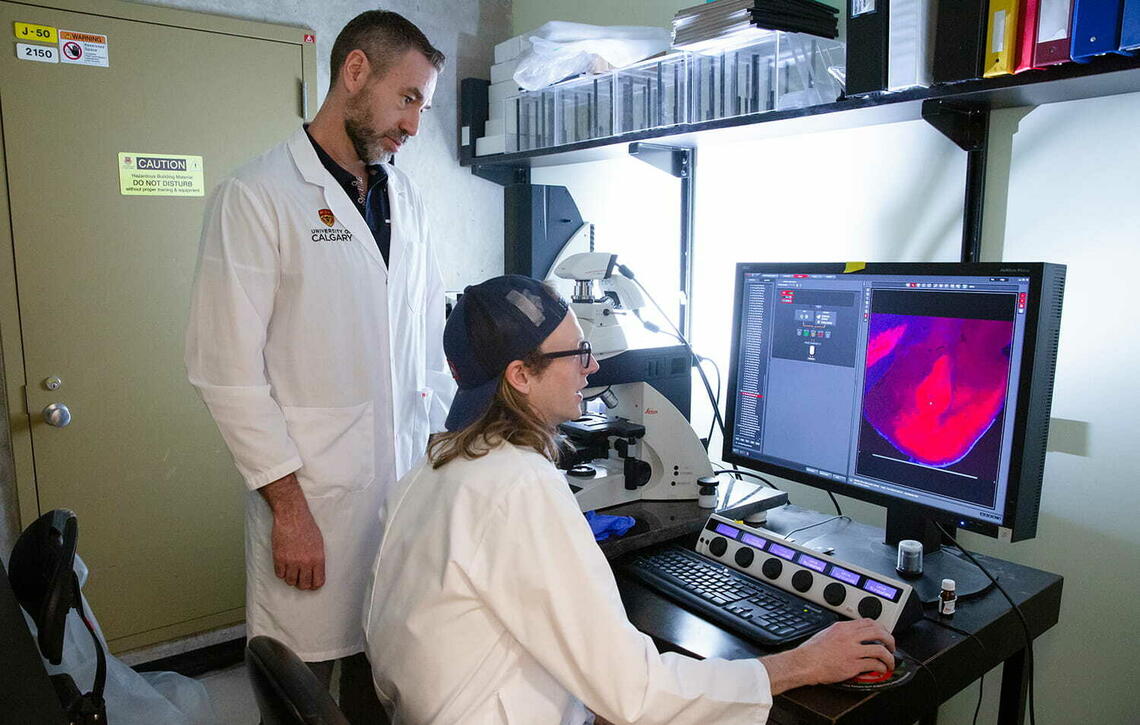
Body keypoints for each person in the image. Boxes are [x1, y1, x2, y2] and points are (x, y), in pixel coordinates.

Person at [363, 275, 896, 725]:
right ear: (520, 376)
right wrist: (799, 665)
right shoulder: (519, 485)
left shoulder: (433, 467)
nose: (592, 368)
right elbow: (634, 693)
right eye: (578, 354)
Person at [185, 10, 453, 720]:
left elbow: (430, 347)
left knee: (386, 685)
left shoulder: (410, 202)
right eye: (409, 98)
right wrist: (290, 511)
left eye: (423, 105)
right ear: (355, 72)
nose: (415, 125)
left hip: (399, 506)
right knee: (301, 696)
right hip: (311, 506)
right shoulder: (258, 196)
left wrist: (448, 466)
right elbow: (226, 373)